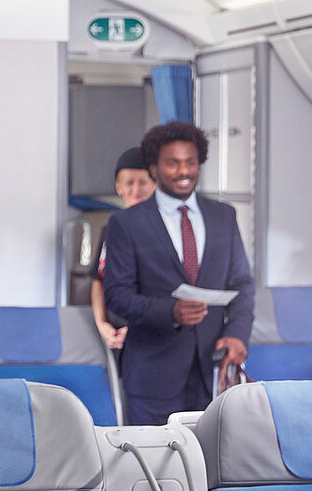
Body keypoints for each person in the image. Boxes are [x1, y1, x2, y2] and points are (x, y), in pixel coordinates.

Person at [103, 121, 254, 425]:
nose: (183, 171)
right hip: (152, 375)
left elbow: (242, 285)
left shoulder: (224, 216)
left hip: (211, 370)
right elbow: (117, 297)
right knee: (154, 468)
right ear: (154, 169)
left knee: (209, 467)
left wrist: (237, 334)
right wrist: (170, 311)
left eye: (190, 162)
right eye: (172, 163)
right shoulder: (126, 224)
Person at [90, 147, 155, 349]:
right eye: (129, 183)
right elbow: (98, 281)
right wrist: (102, 324)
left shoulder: (166, 233)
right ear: (119, 188)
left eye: (143, 182)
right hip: (114, 337)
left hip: (153, 335)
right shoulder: (111, 229)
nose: (136, 189)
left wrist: (139, 329)